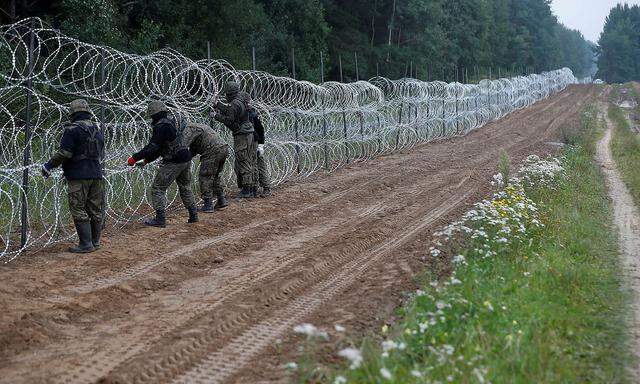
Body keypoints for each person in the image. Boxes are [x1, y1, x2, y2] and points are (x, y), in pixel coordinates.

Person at [41, 99, 105, 253]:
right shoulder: (97, 129)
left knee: (77, 208)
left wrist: (48, 166)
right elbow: (101, 149)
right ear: (87, 112)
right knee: (95, 209)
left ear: (72, 114)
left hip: (78, 175)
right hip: (96, 174)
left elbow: (65, 153)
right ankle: (95, 242)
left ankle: (85, 244)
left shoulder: (72, 129)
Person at [127, 101, 198, 227]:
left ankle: (160, 219)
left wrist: (134, 157)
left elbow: (152, 147)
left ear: (154, 114)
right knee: (185, 187)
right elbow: (161, 148)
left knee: (158, 188)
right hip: (185, 158)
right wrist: (146, 160)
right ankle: (193, 215)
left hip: (175, 161)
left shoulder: (161, 126)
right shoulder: (169, 123)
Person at [213, 81, 257, 199]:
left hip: (241, 135)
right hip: (248, 133)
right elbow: (231, 111)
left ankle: (246, 190)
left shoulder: (234, 103)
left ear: (229, 93)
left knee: (243, 160)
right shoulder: (241, 100)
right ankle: (252, 188)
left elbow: (229, 120)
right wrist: (218, 105)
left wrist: (215, 116)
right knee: (249, 160)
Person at [179, 119, 230, 212]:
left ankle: (208, 204)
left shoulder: (188, 129)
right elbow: (193, 149)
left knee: (205, 177)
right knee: (216, 176)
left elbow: (183, 147)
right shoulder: (197, 125)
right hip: (223, 148)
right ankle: (221, 200)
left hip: (212, 151)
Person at [243, 97, 272, 197]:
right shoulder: (242, 115)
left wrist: (261, 145)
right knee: (251, 166)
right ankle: (254, 188)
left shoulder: (252, 115)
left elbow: (260, 130)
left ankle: (266, 188)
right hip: (248, 144)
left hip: (256, 143)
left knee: (260, 166)